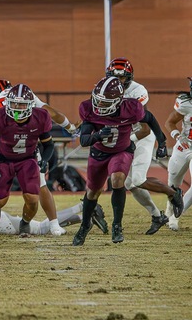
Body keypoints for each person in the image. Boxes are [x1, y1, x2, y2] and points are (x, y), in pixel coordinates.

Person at [72, 76, 183, 246]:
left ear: (117, 101)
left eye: (104, 102)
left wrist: (161, 141)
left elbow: (150, 119)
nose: (99, 105)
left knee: (118, 180)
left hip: (122, 150)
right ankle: (85, 225)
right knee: (92, 192)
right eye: (98, 100)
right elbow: (84, 140)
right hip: (99, 154)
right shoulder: (89, 109)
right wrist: (98, 136)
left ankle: (117, 226)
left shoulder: (130, 108)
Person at [0, 79, 80, 237]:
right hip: (2, 153)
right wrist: (71, 128)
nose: (18, 108)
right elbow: (54, 113)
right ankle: (52, 223)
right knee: (42, 185)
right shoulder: (27, 98)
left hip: (23, 151)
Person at [0, 84, 55, 237]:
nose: (17, 107)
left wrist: (45, 160)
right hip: (3, 159)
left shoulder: (40, 117)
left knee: (33, 199)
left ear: (30, 105)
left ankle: (25, 223)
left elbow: (49, 144)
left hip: (27, 159)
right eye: (14, 103)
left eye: (21, 104)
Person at [106, 57, 172, 234]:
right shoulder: (106, 89)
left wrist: (125, 140)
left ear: (128, 77)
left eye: (121, 77)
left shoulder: (137, 91)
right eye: (114, 76)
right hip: (125, 137)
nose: (117, 81)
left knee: (138, 180)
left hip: (141, 136)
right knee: (130, 185)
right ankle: (157, 216)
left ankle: (174, 194)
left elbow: (144, 128)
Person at [164, 76, 192, 230]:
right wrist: (176, 135)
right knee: (173, 183)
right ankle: (170, 206)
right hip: (184, 146)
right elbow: (169, 122)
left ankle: (175, 217)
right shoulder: (185, 103)